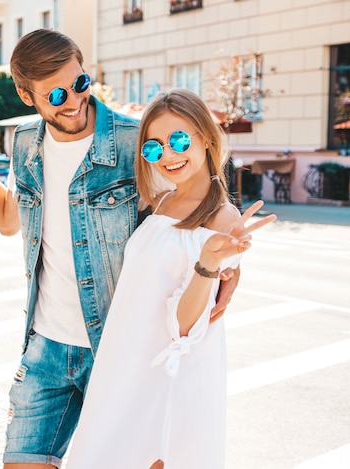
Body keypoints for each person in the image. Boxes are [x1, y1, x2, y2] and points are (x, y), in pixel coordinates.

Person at [0, 29, 238, 469]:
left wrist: (229, 260)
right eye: (56, 94)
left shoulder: (135, 142)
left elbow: (193, 193)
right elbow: (5, 217)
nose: (73, 101)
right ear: (26, 94)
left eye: (79, 84)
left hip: (118, 346)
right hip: (46, 347)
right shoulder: (25, 144)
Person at [65, 89, 277, 469]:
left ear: (207, 139)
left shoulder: (223, 219)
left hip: (167, 378)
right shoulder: (161, 201)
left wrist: (209, 264)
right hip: (125, 365)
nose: (168, 155)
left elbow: (185, 327)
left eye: (179, 140)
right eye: (153, 147)